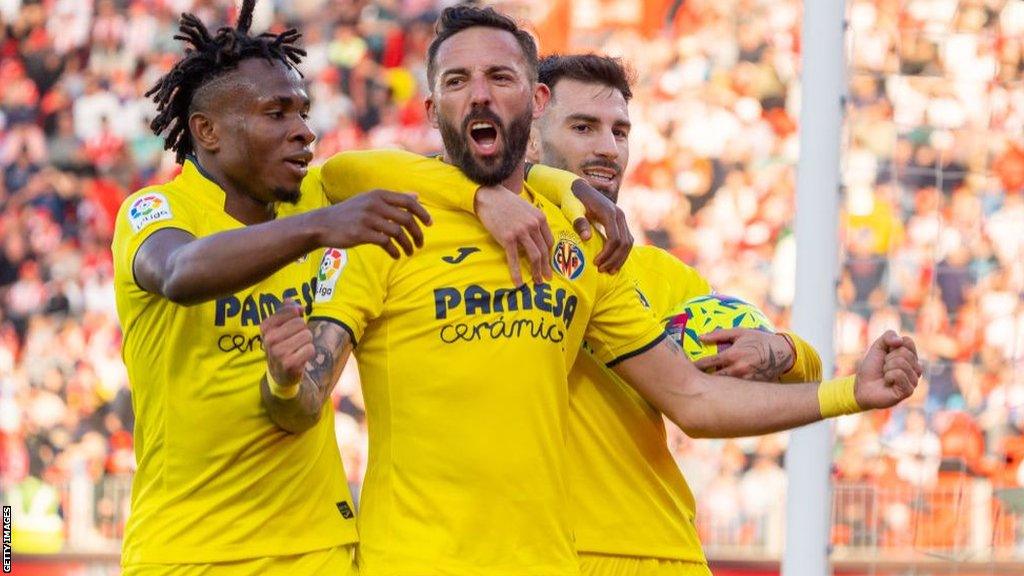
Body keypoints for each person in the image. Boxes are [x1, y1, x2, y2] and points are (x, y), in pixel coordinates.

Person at [258, 6, 922, 575]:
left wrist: (846, 392)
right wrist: (286, 381)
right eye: (458, 82)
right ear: (434, 109)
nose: (480, 95)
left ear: (532, 101)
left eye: (500, 77)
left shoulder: (585, 254)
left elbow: (691, 394)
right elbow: (302, 394)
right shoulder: (388, 227)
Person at [111, 2, 434, 574]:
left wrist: (547, 189)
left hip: (319, 548)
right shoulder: (157, 210)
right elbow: (181, 272)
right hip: (191, 550)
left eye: (304, 112)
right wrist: (316, 230)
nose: (304, 131)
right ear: (206, 131)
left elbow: (441, 175)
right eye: (276, 113)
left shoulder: (321, 191)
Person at [526, 53, 822, 575]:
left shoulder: (659, 273)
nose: (607, 147)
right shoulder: (482, 248)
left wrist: (779, 350)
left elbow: (785, 374)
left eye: (620, 132)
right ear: (530, 134)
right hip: (534, 553)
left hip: (662, 554)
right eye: (583, 127)